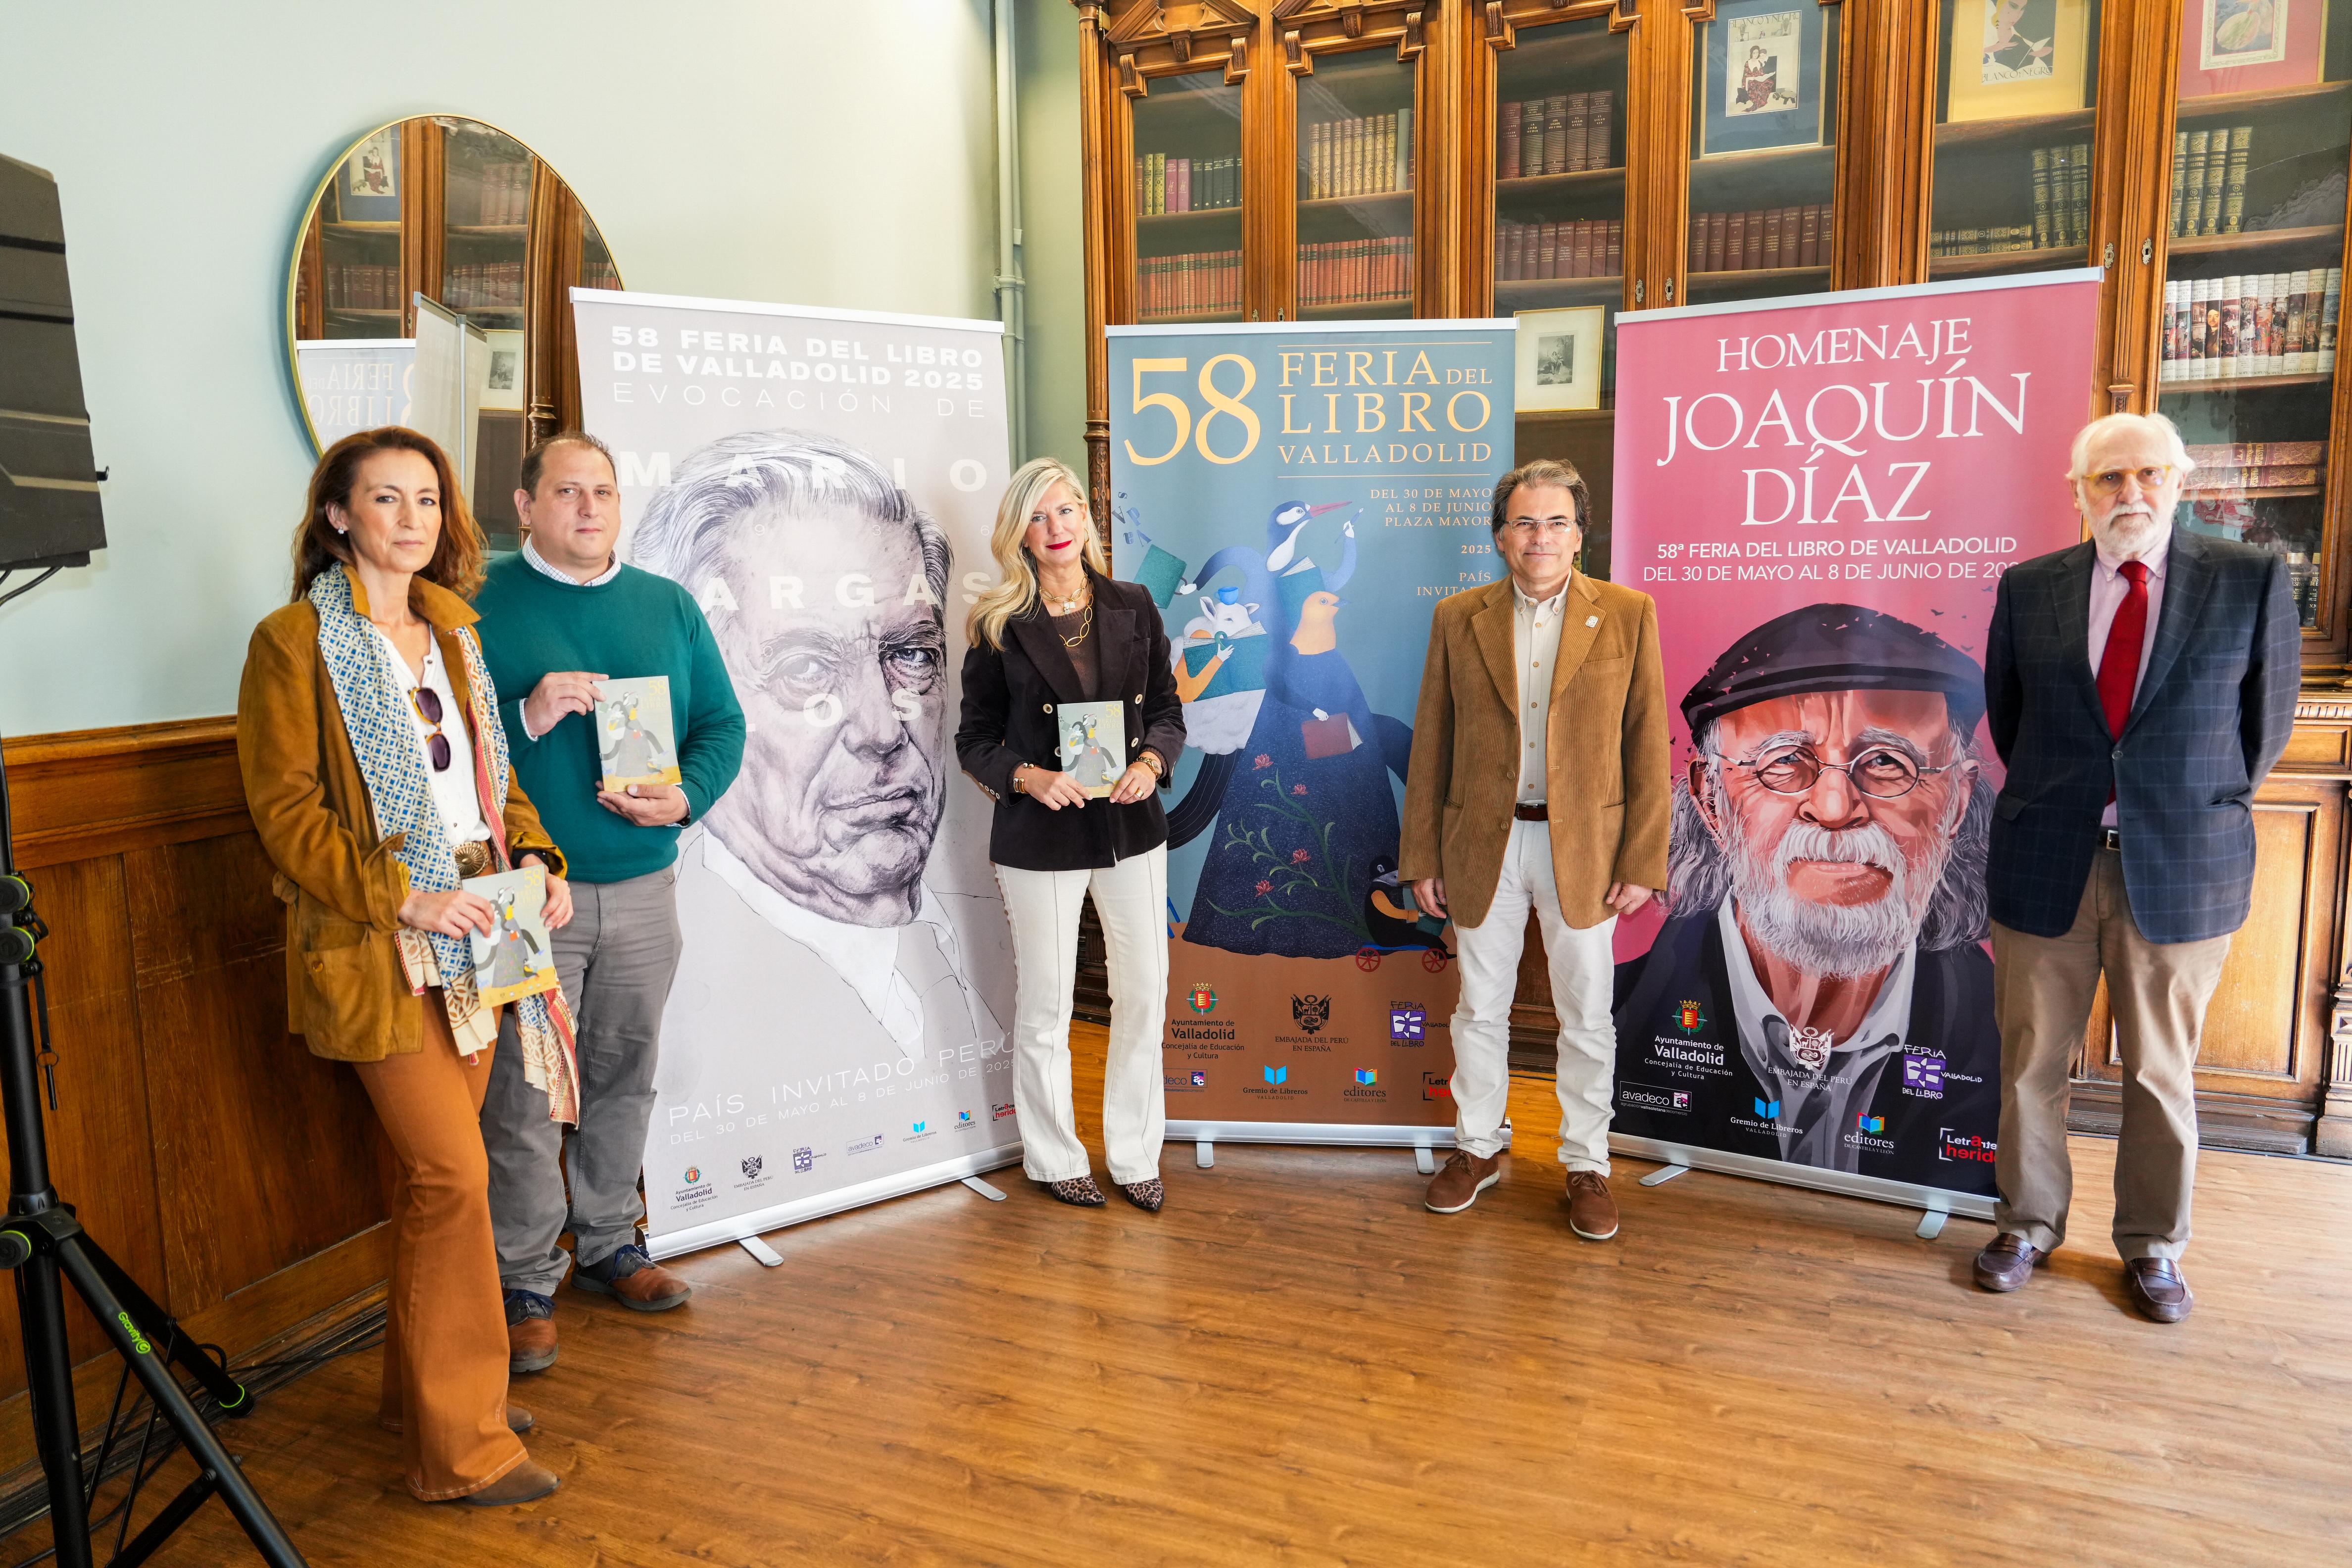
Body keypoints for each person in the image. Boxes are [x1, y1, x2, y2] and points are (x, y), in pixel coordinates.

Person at [237, 426, 579, 1507]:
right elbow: (285, 813)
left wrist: (540, 858)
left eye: (427, 499)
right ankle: (461, 1449)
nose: (412, 519)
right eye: (386, 499)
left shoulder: (456, 632)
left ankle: (421, 1395)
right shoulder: (293, 642)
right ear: (339, 516)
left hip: (488, 928)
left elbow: (494, 781)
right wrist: (405, 895)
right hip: (380, 942)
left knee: (431, 1184)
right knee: (453, 1178)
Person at [1975, 411, 2298, 1323]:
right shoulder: (2029, 587)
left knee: (2159, 1071)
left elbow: (2262, 732)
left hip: (2180, 863)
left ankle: (2153, 1244)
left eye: (2148, 474)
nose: (2130, 493)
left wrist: (2171, 806)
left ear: (2179, 482)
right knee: (2030, 1062)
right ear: (2077, 491)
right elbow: (2009, 718)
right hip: (2049, 856)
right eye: (2108, 478)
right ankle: (2026, 1224)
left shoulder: (2247, 578)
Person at [629, 430, 1011, 1176]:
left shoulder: (992, 933)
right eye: (805, 668)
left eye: (910, 656)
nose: (882, 730)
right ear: (693, 697)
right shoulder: (679, 984)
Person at [472, 432, 745, 1375]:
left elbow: (722, 724)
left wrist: (685, 796)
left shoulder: (667, 605)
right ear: (525, 506)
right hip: (515, 893)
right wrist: (528, 714)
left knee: (625, 1070)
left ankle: (608, 1242)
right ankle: (521, 1278)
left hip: (642, 880)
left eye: (604, 491)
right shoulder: (472, 606)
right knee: (521, 1092)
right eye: (567, 491)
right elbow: (442, 753)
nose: (589, 508)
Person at [1610, 607, 2001, 1189]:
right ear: (1711, 800)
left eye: (1888, 762)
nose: (1836, 807)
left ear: (1957, 802)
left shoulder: (2008, 1040)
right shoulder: (1610, 1021)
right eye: (1785, 762)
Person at [1398, 458, 1670, 1239]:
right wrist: (1423, 855)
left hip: (1586, 849)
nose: (1540, 537)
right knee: (1479, 1008)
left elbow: (1648, 742)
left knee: (1586, 1014)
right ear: (1500, 537)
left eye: (1556, 522)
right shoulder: (1459, 617)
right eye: (1524, 522)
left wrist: (1642, 860)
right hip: (1482, 842)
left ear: (1580, 536)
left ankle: (1586, 1163)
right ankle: (1477, 1147)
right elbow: (1432, 741)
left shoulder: (1628, 614)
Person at [955, 458, 1184, 1209]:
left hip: (1130, 827)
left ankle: (1136, 1153)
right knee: (1049, 1004)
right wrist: (1028, 777)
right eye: (1038, 515)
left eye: (1066, 510)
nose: (1055, 527)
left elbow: (1168, 712)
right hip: (1041, 837)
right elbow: (974, 741)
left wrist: (1151, 762)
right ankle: (1055, 1158)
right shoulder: (997, 623)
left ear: (1087, 518)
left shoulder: (1134, 604)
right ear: (1019, 532)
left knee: (1144, 992)